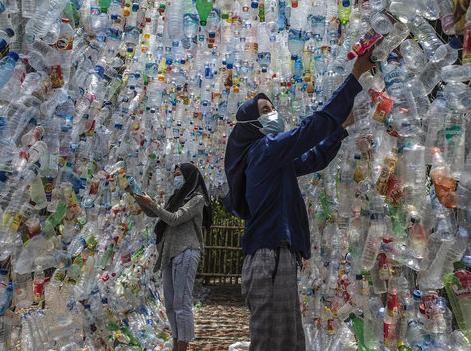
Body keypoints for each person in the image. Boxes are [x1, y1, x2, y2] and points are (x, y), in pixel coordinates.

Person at [224, 49, 374, 350]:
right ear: (251, 123)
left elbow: (313, 157)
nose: (273, 115)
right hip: (270, 257)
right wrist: (355, 77)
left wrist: (341, 128)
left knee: (290, 342)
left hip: (278, 258)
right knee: (272, 344)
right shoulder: (263, 150)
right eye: (265, 111)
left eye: (273, 109)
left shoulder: (272, 160)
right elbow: (310, 129)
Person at [133, 163, 212, 351]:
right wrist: (135, 194)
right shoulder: (176, 198)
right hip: (169, 253)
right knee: (169, 302)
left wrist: (151, 202)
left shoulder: (197, 198)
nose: (176, 178)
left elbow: (174, 218)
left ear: (189, 177)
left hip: (186, 250)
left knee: (181, 301)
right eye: (174, 174)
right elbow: (154, 213)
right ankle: (177, 341)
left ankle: (183, 345)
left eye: (180, 175)